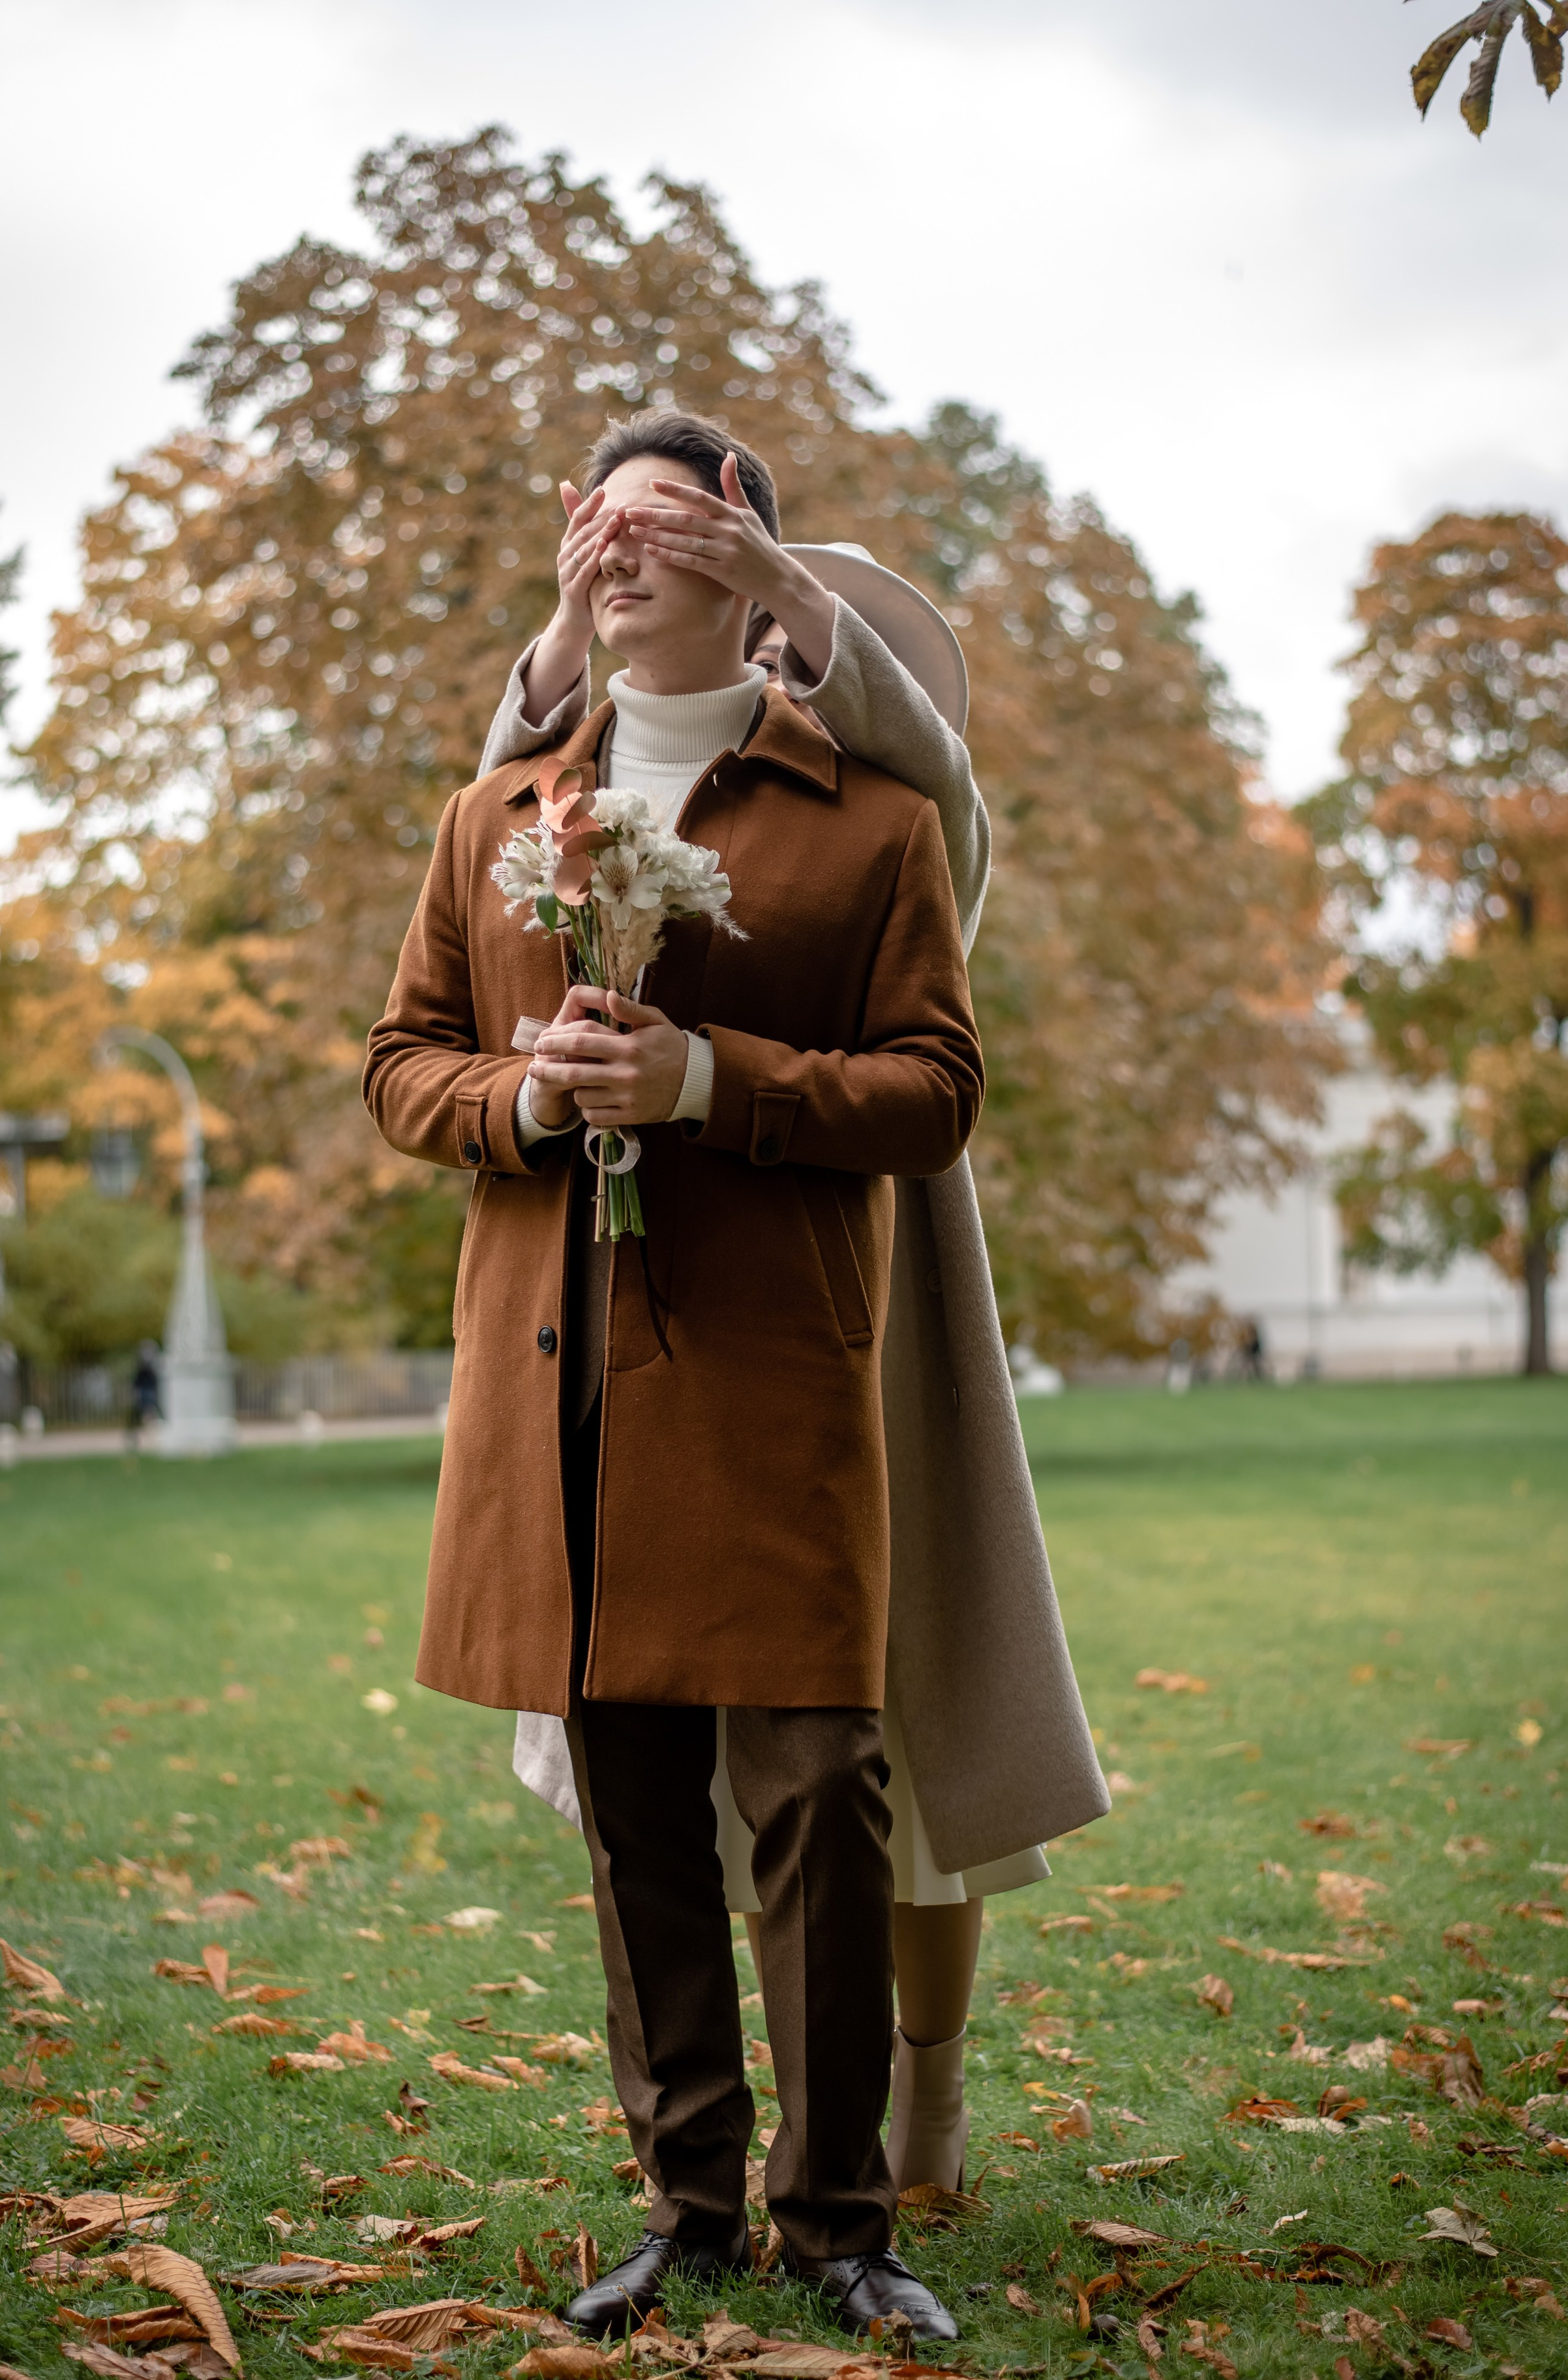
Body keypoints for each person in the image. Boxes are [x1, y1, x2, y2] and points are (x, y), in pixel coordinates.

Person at [365, 406, 987, 2343]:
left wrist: (714, 1081)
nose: (615, 553)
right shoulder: (493, 817)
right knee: (635, 1809)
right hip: (564, 1382)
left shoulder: (874, 820)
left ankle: (844, 2225)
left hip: (780, 1375)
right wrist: (524, 1100)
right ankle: (688, 2204)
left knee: (818, 1794)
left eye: (659, 525)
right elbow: (400, 1063)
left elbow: (936, 1090)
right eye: (591, 529)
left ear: (743, 555)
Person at [479, 438, 1109, 2198]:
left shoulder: (886, 806)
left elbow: (939, 813)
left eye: (785, 638)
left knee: (888, 1736)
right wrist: (569, 598)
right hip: (652, 1295)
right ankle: (706, 2159)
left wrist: (782, 591)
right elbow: (503, 837)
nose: (762, 670)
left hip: (865, 1297)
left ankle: (919, 2100)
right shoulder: (592, 772)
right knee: (674, 1766)